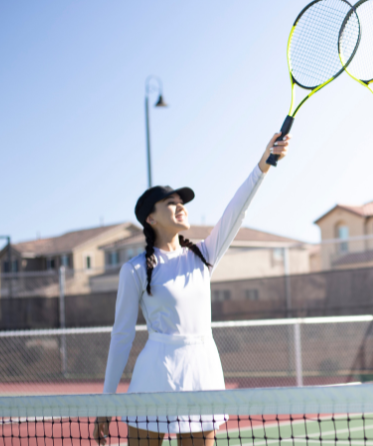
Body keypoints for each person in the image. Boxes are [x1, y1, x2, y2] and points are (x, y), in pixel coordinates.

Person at [93, 133, 290, 446]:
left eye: (181, 202)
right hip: (153, 376)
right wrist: (105, 402)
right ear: (151, 218)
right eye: (171, 203)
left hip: (202, 372)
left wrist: (263, 164)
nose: (180, 206)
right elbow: (121, 336)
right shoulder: (132, 270)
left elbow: (235, 211)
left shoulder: (203, 255)